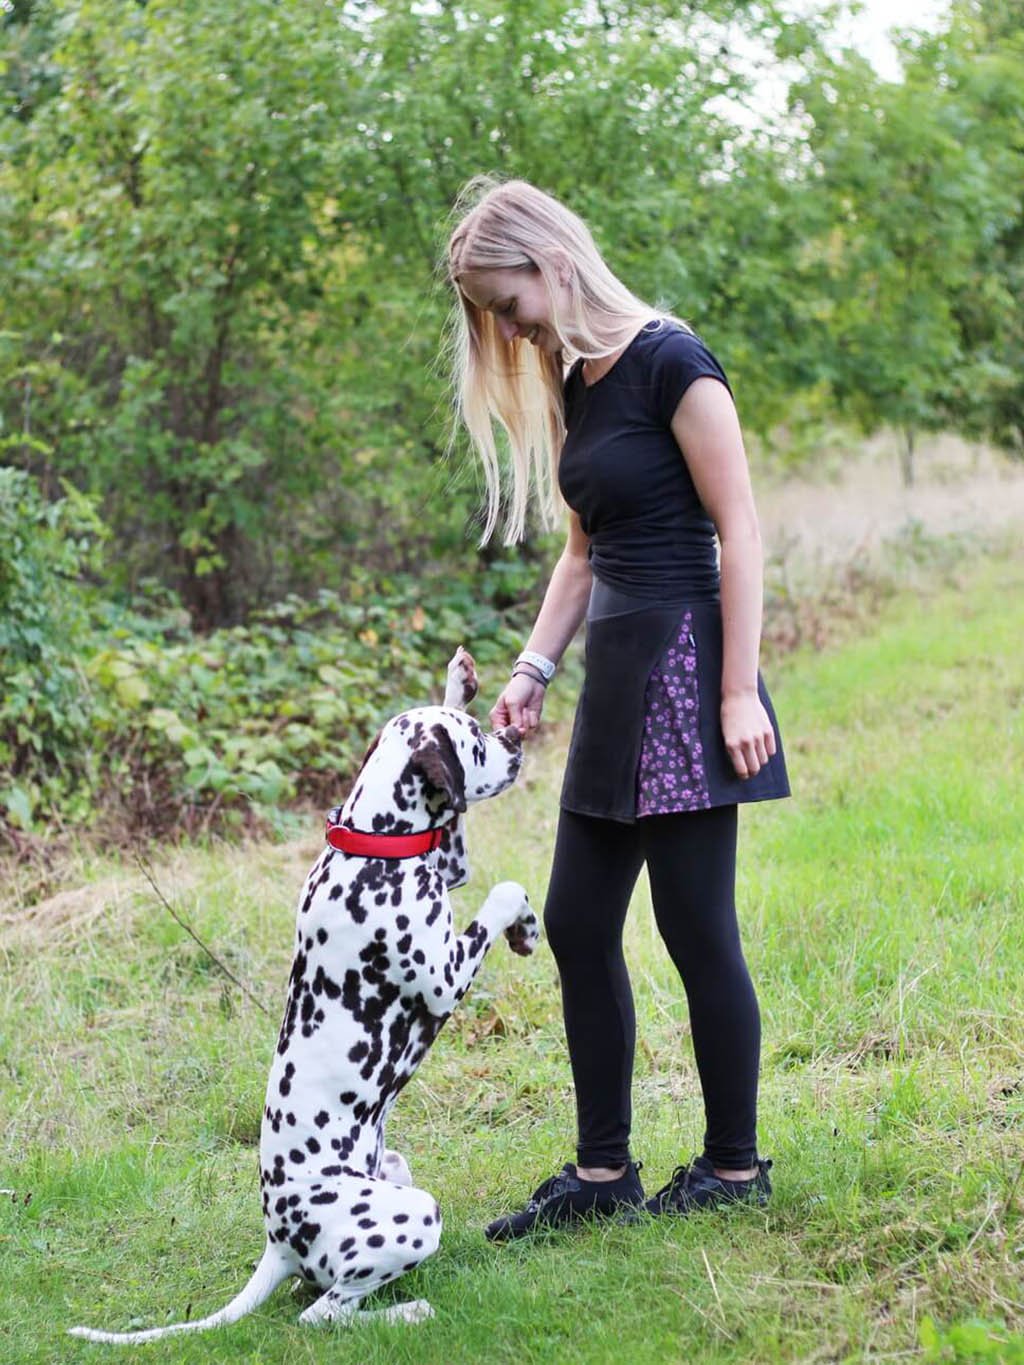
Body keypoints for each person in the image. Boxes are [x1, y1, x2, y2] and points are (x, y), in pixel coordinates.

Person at [444, 177, 790, 1240]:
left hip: (689, 669)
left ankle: (734, 1170)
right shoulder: (577, 378)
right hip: (617, 675)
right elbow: (583, 552)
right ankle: (603, 1178)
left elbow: (739, 529)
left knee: (695, 929)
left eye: (506, 302)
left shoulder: (672, 361)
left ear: (549, 260)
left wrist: (737, 687)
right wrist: (530, 669)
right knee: (580, 923)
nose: (504, 328)